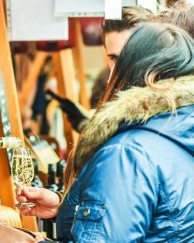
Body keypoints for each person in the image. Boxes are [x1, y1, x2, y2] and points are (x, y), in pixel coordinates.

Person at [17, 23, 194, 241]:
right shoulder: (179, 135)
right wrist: (69, 209)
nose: (110, 71)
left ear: (135, 72)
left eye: (118, 61)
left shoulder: (125, 154)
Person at [52, 6, 154, 132]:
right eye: (113, 58)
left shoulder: (172, 112)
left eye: (128, 56)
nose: (118, 70)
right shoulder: (108, 86)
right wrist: (89, 129)